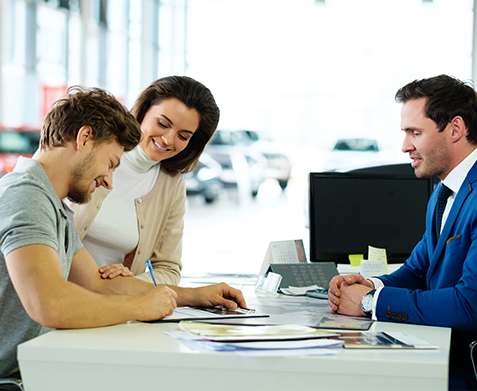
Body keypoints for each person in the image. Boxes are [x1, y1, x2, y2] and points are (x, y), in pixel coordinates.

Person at [0, 86, 246, 380]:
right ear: (84, 138)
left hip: (33, 366)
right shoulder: (25, 194)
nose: (108, 181)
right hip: (13, 376)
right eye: (111, 164)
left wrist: (192, 296)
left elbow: (96, 283)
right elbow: (49, 305)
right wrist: (140, 305)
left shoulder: (56, 208)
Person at [327, 74, 477, 390]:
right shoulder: (443, 191)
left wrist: (370, 302)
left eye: (415, 132)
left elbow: (470, 305)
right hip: (442, 354)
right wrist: (367, 283)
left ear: (455, 129)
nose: (405, 146)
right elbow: (419, 269)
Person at [67, 76, 218, 285]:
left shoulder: (171, 186)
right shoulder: (91, 145)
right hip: (58, 296)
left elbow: (168, 269)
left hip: (111, 308)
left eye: (183, 136)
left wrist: (130, 282)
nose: (167, 139)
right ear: (143, 111)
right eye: (163, 123)